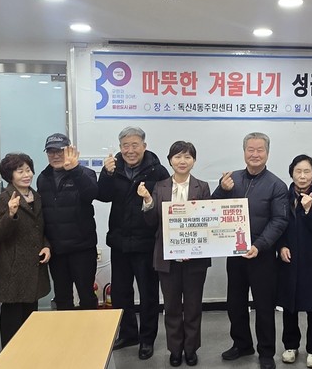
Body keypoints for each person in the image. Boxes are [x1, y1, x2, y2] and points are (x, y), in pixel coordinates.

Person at [213, 132, 288, 369]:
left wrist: (260, 245)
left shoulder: (277, 185)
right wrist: (222, 190)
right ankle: (242, 344)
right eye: (250, 150)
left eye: (260, 150)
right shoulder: (231, 179)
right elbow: (212, 209)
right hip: (234, 252)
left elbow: (279, 220)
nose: (255, 154)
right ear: (244, 151)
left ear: (267, 153)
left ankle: (266, 352)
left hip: (261, 254)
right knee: (235, 303)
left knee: (264, 306)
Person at [97, 127, 170, 360]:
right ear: (120, 148)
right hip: (119, 242)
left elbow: (164, 203)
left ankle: (147, 339)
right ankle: (128, 333)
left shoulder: (157, 170)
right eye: (125, 146)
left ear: (144, 146)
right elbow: (102, 195)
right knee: (120, 293)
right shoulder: (114, 167)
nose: (130, 150)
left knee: (148, 294)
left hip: (146, 243)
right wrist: (106, 174)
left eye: (135, 145)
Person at [138, 141, 211, 367]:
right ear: (170, 160)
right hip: (166, 257)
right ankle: (175, 349)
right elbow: (151, 222)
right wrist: (148, 201)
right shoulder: (159, 187)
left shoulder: (202, 187)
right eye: (178, 156)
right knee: (171, 307)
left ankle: (191, 349)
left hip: (195, 258)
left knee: (193, 307)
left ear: (194, 161)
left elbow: (206, 222)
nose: (182, 161)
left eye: (187, 157)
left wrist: (191, 246)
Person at [0, 153, 51, 347]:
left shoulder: (36, 196)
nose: (26, 175)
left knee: (31, 312)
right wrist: (10, 214)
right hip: (13, 267)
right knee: (12, 315)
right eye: (20, 171)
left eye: (28, 170)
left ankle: (29, 350)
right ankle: (11, 353)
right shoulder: (3, 199)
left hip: (34, 265)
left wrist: (47, 246)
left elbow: (41, 228)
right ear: (10, 175)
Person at [278, 155, 312, 369]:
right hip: (289, 259)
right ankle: (290, 346)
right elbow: (278, 225)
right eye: (298, 171)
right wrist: (281, 246)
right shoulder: (283, 198)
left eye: (307, 171)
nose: (302, 176)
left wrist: (309, 210)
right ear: (292, 173)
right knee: (289, 306)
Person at [37, 133, 99, 310]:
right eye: (51, 152)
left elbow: (91, 194)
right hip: (57, 250)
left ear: (70, 151)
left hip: (82, 248)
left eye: (60, 151)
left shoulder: (85, 173)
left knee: (86, 295)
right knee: (62, 297)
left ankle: (90, 328)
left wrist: (74, 170)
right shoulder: (43, 177)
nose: (55, 156)